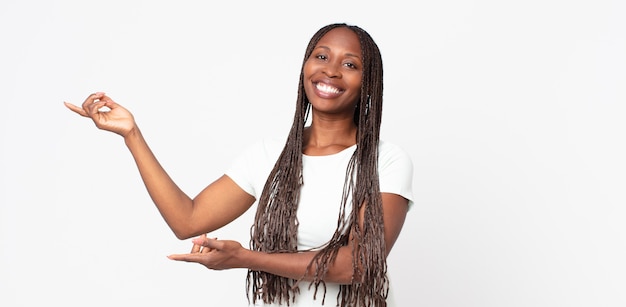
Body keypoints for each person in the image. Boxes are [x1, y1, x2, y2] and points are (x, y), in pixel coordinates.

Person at [64, 23, 414, 307]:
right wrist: (132, 135)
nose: (331, 70)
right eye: (321, 56)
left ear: (368, 85)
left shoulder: (386, 161)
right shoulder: (267, 156)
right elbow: (187, 220)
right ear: (305, 68)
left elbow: (359, 264)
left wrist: (247, 258)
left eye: (350, 64)